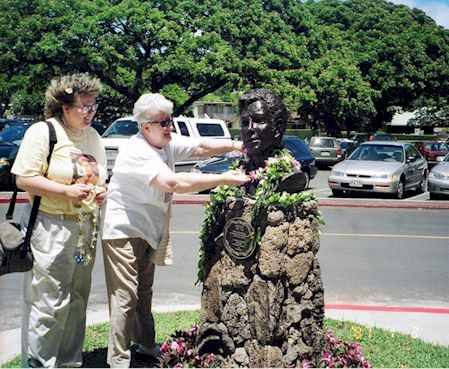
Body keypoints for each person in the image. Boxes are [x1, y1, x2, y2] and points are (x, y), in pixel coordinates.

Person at [101, 93, 249, 368]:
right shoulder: (137, 151)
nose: (170, 126)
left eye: (171, 120)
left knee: (144, 292)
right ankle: (118, 360)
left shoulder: (164, 141)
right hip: (123, 229)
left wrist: (239, 145)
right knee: (125, 295)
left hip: (147, 228)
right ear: (146, 127)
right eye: (164, 122)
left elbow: (202, 147)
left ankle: (145, 345)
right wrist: (224, 178)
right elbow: (172, 182)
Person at [11, 73, 107, 368]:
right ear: (64, 107)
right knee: (48, 302)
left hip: (85, 228)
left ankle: (69, 362)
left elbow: (101, 175)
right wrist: (66, 190)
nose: (90, 112)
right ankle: (40, 363)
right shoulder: (44, 132)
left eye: (93, 106)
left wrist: (101, 191)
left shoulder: (93, 137)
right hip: (51, 225)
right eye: (83, 106)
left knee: (77, 299)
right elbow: (23, 179)